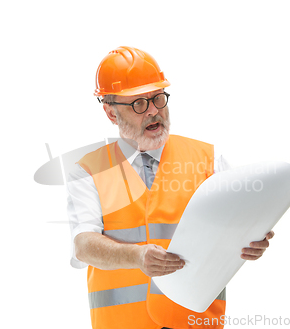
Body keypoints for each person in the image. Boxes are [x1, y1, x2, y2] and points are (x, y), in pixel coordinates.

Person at [66, 46, 275, 329]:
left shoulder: (209, 159)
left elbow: (237, 229)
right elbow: (83, 246)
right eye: (139, 103)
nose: (153, 111)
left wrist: (251, 240)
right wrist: (136, 256)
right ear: (111, 113)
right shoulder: (89, 170)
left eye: (158, 98)